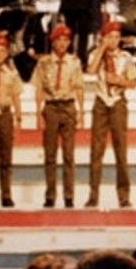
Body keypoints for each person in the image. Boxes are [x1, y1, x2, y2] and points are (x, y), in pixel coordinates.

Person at [85, 20, 136, 209]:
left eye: (116, 37)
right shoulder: (97, 55)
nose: (113, 41)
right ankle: (93, 195)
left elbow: (134, 83)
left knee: (121, 151)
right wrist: (101, 49)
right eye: (110, 37)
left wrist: (119, 80)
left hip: (117, 101)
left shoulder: (125, 57)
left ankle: (124, 196)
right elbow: (90, 70)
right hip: (101, 102)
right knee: (96, 151)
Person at [36, 25, 84, 208]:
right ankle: (50, 194)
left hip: (68, 106)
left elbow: (79, 86)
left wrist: (81, 111)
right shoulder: (44, 62)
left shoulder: (74, 62)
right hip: (51, 107)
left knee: (69, 154)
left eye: (65, 40)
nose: (62, 44)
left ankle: (69, 195)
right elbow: (39, 88)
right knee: (50, 154)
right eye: (59, 40)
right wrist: (38, 112)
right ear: (53, 42)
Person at [0, 35, 23, 209]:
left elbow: (15, 95)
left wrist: (18, 116)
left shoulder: (11, 73)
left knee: (5, 155)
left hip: (4, 113)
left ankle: (6, 193)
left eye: (3, 51)